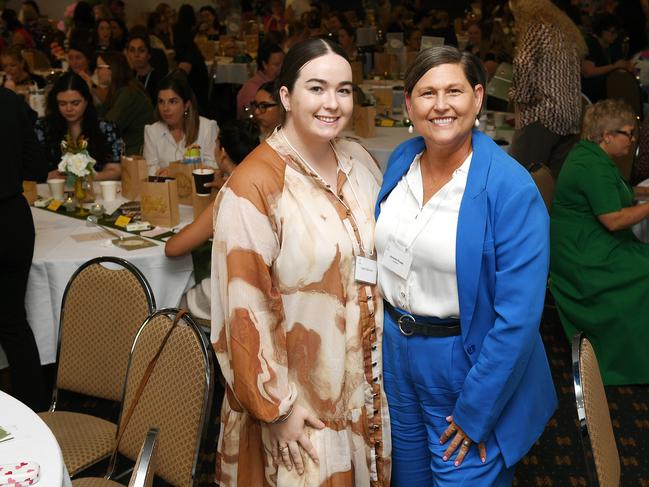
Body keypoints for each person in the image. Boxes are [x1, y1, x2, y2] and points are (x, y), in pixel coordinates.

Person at [210, 37, 391, 486]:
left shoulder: (360, 161)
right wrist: (278, 410)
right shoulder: (254, 186)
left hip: (360, 388)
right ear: (286, 97)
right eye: (317, 88)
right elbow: (243, 309)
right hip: (298, 411)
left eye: (344, 90)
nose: (333, 103)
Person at [375, 46, 556, 485]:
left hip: (466, 363)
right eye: (426, 93)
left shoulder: (510, 189)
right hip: (398, 353)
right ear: (408, 105)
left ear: (477, 97)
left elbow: (518, 319)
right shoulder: (402, 160)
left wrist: (477, 411)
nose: (440, 105)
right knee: (407, 478)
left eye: (453, 91)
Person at [550, 99, 649, 385]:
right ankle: (626, 362)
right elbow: (614, 219)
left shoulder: (592, 156)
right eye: (628, 134)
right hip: (583, 257)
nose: (632, 140)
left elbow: (620, 193)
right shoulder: (590, 164)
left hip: (588, 245)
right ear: (607, 136)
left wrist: (641, 198)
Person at [165, 120, 260, 319]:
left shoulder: (230, 194)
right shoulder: (259, 183)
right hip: (261, 287)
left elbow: (173, 248)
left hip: (231, 292)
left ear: (222, 152)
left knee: (169, 301)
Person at [0, 86, 48, 412]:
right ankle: (36, 413)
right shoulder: (10, 101)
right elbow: (37, 165)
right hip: (13, 220)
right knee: (14, 322)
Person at [508, 0, 586, 178]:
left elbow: (522, 62)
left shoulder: (536, 27)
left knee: (519, 178)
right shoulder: (564, 31)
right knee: (551, 184)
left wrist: (522, 97)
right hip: (570, 116)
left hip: (543, 115)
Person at [36, 71, 123, 181]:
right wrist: (47, 176)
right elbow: (31, 170)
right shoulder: (42, 128)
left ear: (86, 101)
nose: (69, 109)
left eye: (75, 103)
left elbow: (115, 170)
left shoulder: (105, 128)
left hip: (94, 191)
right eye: (62, 104)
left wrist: (87, 177)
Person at [143, 70, 218, 175]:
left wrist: (174, 171)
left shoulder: (207, 128)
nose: (165, 108)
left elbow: (213, 169)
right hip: (163, 190)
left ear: (186, 105)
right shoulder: (152, 131)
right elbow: (150, 172)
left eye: (172, 101)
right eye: (161, 102)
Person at [96, 51, 153, 155]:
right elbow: (100, 117)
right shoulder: (120, 90)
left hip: (136, 155)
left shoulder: (128, 93)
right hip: (127, 150)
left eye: (99, 67)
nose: (96, 72)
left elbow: (108, 127)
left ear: (112, 68)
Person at [581, 14, 634, 103]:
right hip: (592, 95)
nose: (615, 35)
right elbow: (587, 72)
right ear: (601, 31)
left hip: (607, 91)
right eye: (612, 32)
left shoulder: (612, 44)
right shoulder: (591, 44)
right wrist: (614, 66)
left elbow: (620, 62)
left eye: (616, 32)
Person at [236, 42, 284, 119]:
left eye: (283, 64)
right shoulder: (253, 88)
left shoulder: (280, 81)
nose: (281, 68)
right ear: (265, 64)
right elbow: (255, 119)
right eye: (277, 65)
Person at [125, 31, 168, 105]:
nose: (136, 55)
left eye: (141, 50)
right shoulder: (128, 79)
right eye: (132, 50)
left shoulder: (160, 79)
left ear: (149, 55)